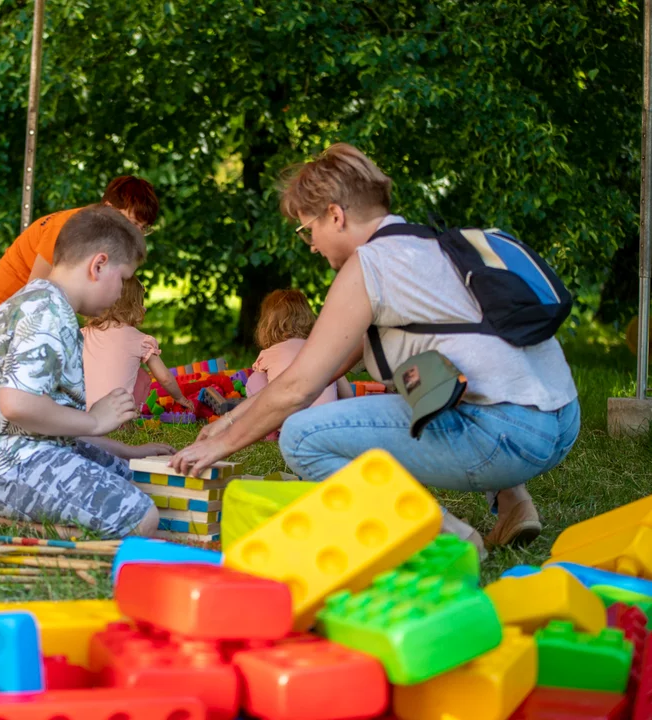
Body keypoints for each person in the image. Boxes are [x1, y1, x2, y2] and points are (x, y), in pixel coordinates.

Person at [170, 143, 580, 551]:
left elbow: (298, 386)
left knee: (301, 437)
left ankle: (447, 541)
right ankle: (514, 505)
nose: (310, 244)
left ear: (335, 214)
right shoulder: (423, 244)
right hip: (560, 421)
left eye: (307, 229)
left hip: (508, 436)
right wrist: (232, 419)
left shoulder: (370, 264)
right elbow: (326, 365)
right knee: (449, 382)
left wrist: (221, 444)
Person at [0, 205, 174, 538]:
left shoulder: (47, 302)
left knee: (132, 480)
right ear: (99, 265)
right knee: (140, 518)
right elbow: (18, 405)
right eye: (123, 280)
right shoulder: (47, 311)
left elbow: (53, 421)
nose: (122, 292)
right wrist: (95, 419)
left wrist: (129, 453)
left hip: (15, 450)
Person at [0, 176, 159, 329]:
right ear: (110, 208)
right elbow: (36, 294)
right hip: (1, 308)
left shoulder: (100, 236)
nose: (137, 234)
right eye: (132, 223)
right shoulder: (68, 227)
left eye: (143, 229)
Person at [81, 277, 193, 411]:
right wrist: (180, 398)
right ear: (135, 306)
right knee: (143, 376)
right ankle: (128, 419)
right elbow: (165, 378)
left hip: (81, 416)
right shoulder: (140, 340)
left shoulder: (83, 334)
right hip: (115, 419)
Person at [247, 288, 353, 403]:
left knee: (255, 378)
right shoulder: (323, 351)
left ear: (266, 325)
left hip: (285, 417)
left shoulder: (268, 355)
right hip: (326, 417)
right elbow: (348, 395)